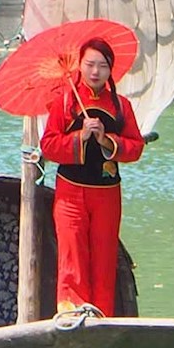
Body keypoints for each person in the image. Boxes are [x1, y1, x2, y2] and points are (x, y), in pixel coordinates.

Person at [36, 38, 146, 317]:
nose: (95, 72)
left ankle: (102, 316)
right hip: (70, 191)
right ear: (79, 67)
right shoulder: (64, 102)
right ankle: (72, 313)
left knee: (104, 256)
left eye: (102, 66)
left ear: (110, 70)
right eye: (89, 65)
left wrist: (107, 140)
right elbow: (48, 145)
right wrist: (80, 136)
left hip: (107, 192)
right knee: (72, 255)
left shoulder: (121, 106)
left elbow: (135, 148)